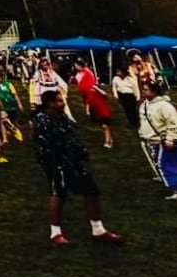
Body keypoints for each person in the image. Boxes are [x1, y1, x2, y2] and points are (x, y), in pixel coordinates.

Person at [31, 90, 122, 246]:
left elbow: (70, 135)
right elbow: (54, 141)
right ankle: (56, 232)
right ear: (50, 104)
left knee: (91, 190)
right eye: (59, 101)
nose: (63, 103)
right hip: (56, 161)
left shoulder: (61, 116)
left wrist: (80, 151)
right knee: (59, 193)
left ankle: (98, 230)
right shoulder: (42, 120)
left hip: (73, 160)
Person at [138, 82, 177, 202]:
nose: (143, 92)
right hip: (152, 141)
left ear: (154, 92)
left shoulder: (164, 106)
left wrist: (170, 138)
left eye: (146, 90)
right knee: (162, 168)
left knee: (171, 167)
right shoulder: (144, 105)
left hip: (165, 142)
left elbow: (173, 123)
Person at [73, 60, 114, 149]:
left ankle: (108, 142)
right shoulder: (91, 95)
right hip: (100, 112)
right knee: (104, 127)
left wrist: (97, 89)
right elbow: (88, 102)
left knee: (104, 126)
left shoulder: (88, 76)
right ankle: (109, 140)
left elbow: (104, 95)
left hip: (104, 112)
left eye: (76, 65)